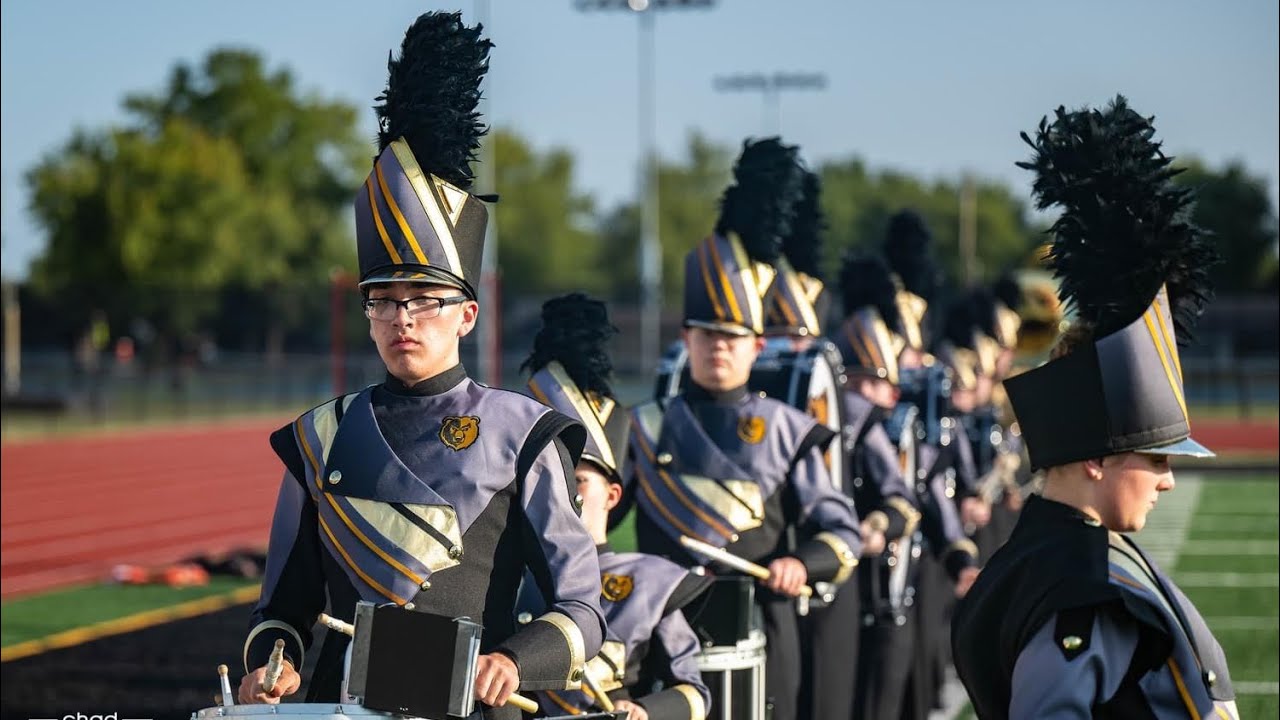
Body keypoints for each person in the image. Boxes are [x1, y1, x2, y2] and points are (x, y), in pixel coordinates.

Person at [238, 13, 605, 718]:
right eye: (384, 301)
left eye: (426, 301)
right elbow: (281, 610)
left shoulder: (523, 433)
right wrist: (273, 666)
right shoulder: (318, 438)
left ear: (468, 314)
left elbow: (582, 609)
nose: (403, 317)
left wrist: (513, 661)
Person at [951, 95, 1238, 719]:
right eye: (1153, 455)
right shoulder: (1081, 589)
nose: (1166, 477)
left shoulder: (1034, 559)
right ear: (1094, 459)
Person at [632, 137, 862, 720]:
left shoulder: (788, 428)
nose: (718, 349)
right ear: (686, 339)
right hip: (666, 629)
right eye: (706, 335)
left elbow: (841, 532)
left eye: (732, 338)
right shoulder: (648, 424)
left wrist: (800, 563)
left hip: (766, 626)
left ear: (757, 346)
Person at [522, 293, 713, 720]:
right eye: (546, 483)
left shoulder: (649, 583)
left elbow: (695, 694)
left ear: (612, 494)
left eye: (577, 483)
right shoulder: (502, 578)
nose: (563, 498)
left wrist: (644, 710)